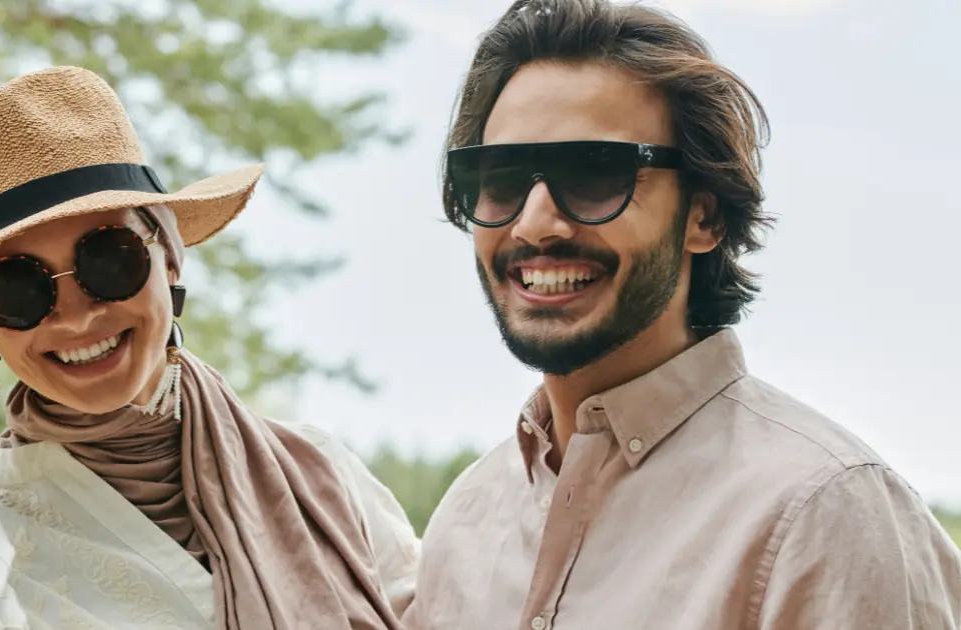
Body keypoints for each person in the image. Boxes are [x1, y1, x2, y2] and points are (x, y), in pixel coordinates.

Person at [401, 1, 961, 629]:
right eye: (499, 177)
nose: (535, 223)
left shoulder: (823, 514)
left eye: (594, 174)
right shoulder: (464, 526)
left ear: (704, 216)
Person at [0, 66, 418, 630]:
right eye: (18, 288)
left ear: (169, 259)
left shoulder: (320, 474)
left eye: (108, 258)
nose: (77, 315)